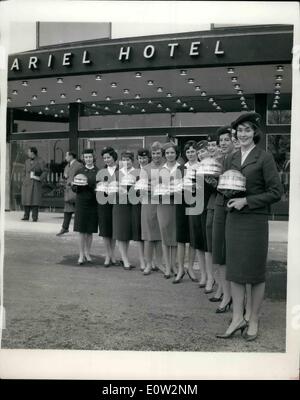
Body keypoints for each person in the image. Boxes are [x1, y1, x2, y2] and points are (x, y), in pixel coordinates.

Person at [216, 113, 282, 340]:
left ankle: (253, 319)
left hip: (254, 221)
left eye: (247, 130)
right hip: (234, 219)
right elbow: (226, 186)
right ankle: (237, 318)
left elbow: (276, 192)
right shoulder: (230, 158)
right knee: (235, 271)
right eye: (239, 130)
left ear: (255, 133)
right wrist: (222, 189)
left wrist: (247, 201)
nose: (243, 134)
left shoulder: (264, 158)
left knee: (254, 273)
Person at [211, 127, 234, 312]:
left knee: (231, 253)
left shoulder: (238, 159)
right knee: (218, 252)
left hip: (234, 207)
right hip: (220, 204)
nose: (224, 143)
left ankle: (232, 296)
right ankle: (226, 294)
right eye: (221, 141)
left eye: (227, 140)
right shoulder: (218, 160)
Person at [173, 140, 199, 284]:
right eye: (188, 152)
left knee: (193, 237)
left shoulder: (202, 167)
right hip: (181, 203)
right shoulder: (181, 168)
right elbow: (175, 187)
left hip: (196, 203)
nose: (190, 154)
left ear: (196, 152)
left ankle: (190, 268)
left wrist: (196, 186)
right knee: (181, 237)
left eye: (192, 151)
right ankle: (181, 269)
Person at [156, 142, 181, 279]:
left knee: (175, 233)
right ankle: (167, 265)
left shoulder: (181, 168)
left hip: (177, 203)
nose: (170, 155)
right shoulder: (160, 169)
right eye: (167, 153)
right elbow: (155, 188)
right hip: (163, 203)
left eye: (172, 152)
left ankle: (174, 265)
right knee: (165, 232)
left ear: (176, 153)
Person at [141, 142, 164, 276]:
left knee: (160, 235)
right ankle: (148, 263)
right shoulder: (146, 168)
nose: (156, 156)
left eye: (158, 153)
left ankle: (159, 262)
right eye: (154, 153)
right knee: (148, 235)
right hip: (148, 203)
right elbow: (142, 188)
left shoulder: (166, 167)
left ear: (162, 154)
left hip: (163, 203)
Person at [72, 149, 98, 265]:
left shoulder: (99, 171)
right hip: (81, 202)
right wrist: (75, 186)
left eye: (90, 157)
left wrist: (92, 186)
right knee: (82, 230)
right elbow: (74, 188)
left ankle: (88, 252)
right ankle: (81, 254)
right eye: (86, 157)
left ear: (93, 157)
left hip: (93, 202)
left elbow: (100, 187)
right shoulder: (79, 170)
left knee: (90, 231)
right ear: (83, 158)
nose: (88, 159)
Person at [112, 150, 136, 270]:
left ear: (132, 160)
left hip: (132, 205)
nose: (126, 162)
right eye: (124, 160)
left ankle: (124, 257)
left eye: (128, 159)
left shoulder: (137, 173)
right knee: (121, 233)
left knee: (127, 233)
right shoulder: (117, 173)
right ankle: (125, 260)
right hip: (120, 205)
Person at [96, 146, 119, 267]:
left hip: (116, 202)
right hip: (104, 203)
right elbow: (98, 187)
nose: (106, 160)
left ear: (114, 157)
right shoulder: (101, 172)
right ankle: (108, 255)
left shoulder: (121, 171)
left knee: (114, 228)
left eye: (108, 157)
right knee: (105, 229)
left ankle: (113, 254)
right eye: (104, 158)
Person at [132, 148, 151, 271]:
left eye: (144, 158)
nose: (142, 160)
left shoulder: (151, 170)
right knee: (139, 233)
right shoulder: (134, 172)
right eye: (140, 158)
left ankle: (151, 260)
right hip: (137, 205)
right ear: (137, 159)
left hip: (150, 203)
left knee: (150, 232)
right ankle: (142, 260)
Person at [57, 151, 82, 236]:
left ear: (71, 156)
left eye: (66, 155)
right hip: (68, 191)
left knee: (78, 211)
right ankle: (64, 228)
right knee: (67, 210)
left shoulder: (79, 165)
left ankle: (80, 228)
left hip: (75, 190)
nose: (65, 157)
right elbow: (65, 177)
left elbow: (81, 178)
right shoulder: (67, 166)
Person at [21, 147, 47, 222]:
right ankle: (26, 216)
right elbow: (24, 171)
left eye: (28, 152)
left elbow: (45, 171)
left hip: (35, 183)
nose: (27, 153)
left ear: (33, 153)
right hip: (26, 183)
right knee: (26, 200)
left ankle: (34, 217)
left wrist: (40, 178)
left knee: (35, 200)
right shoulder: (26, 161)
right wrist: (23, 180)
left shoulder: (41, 161)